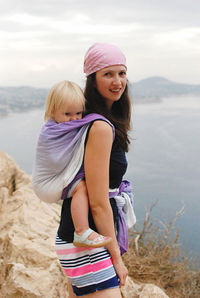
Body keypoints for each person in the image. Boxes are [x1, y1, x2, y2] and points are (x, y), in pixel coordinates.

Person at [55, 43, 132, 298]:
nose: (117, 81)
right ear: (92, 79)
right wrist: (117, 261)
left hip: (78, 237)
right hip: (86, 243)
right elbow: (99, 203)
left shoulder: (94, 120)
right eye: (107, 74)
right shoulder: (99, 127)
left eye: (121, 73)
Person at [33, 80, 112, 248]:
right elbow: (55, 160)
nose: (74, 119)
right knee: (81, 187)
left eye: (78, 113)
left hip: (53, 181)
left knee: (82, 186)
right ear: (53, 111)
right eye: (68, 114)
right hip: (45, 183)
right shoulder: (51, 131)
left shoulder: (66, 125)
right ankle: (81, 231)